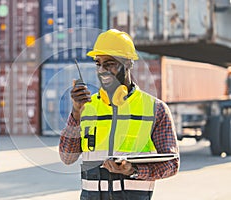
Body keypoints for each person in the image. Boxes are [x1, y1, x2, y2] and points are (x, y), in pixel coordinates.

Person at [59, 29, 179, 200]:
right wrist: (76, 113)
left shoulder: (155, 109)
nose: (102, 70)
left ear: (128, 64)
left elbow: (171, 164)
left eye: (109, 64)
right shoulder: (86, 107)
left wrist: (133, 170)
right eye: (98, 63)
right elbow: (67, 157)